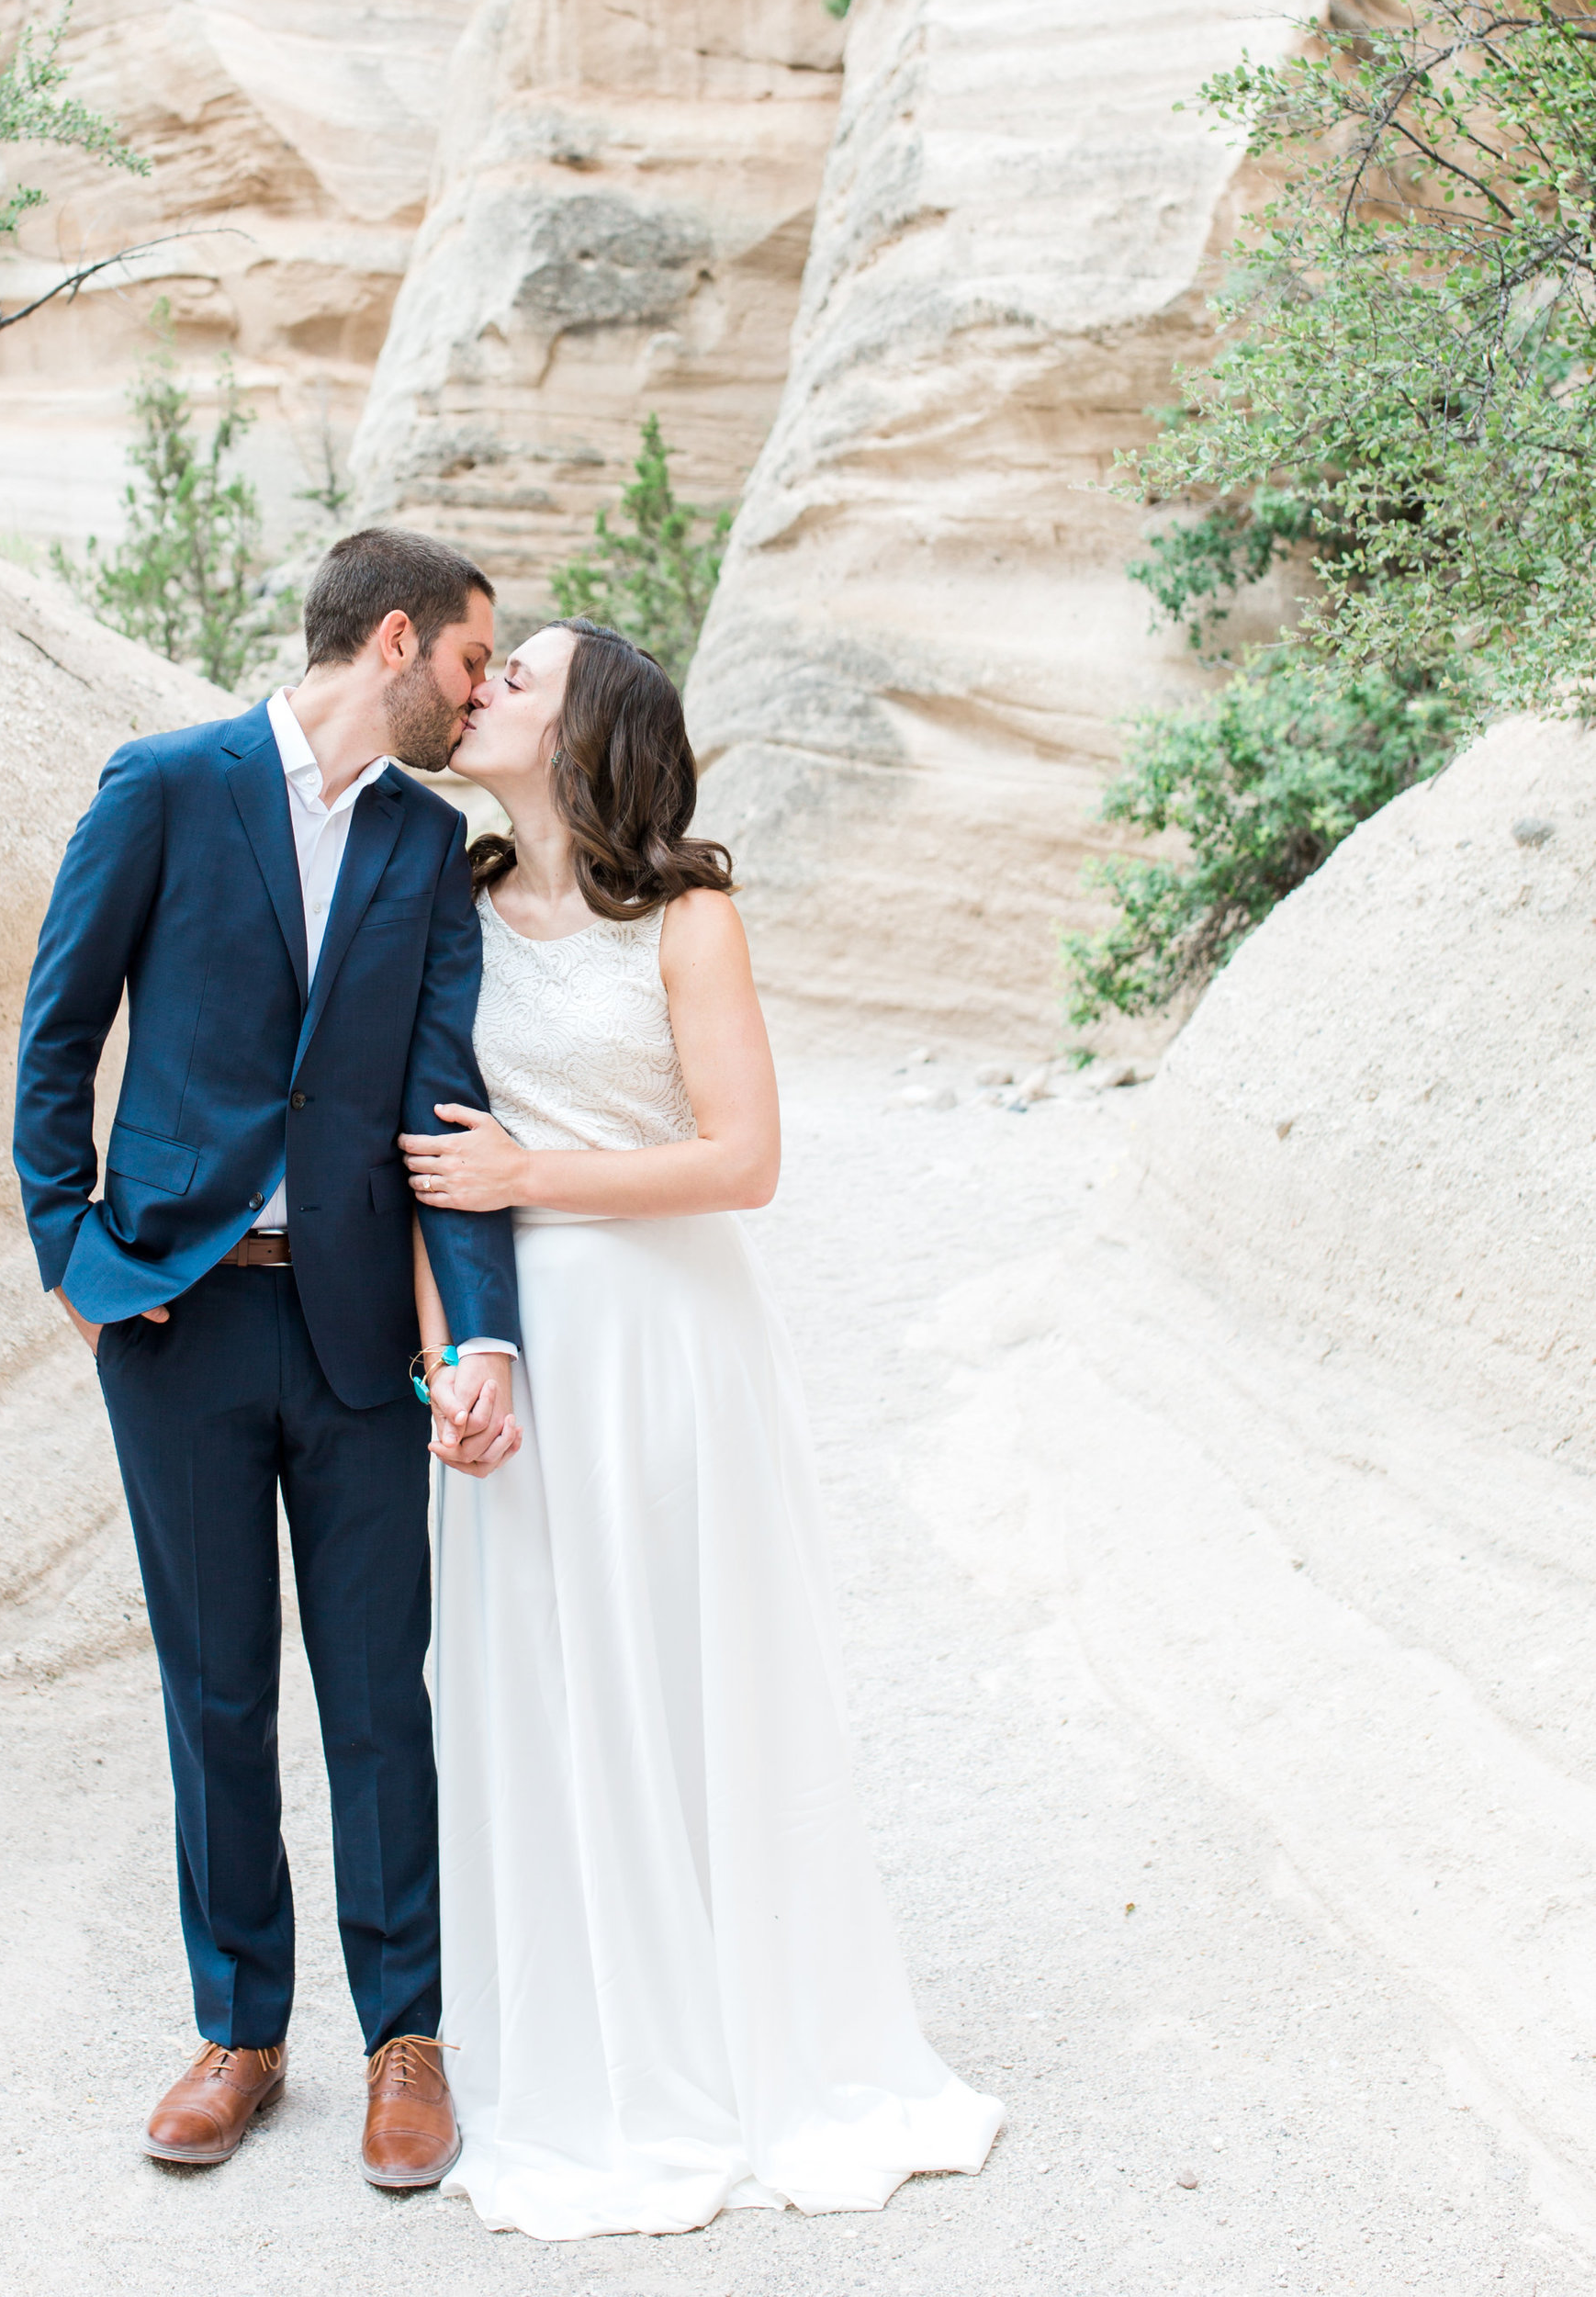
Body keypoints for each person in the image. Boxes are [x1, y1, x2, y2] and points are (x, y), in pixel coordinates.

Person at [406, 618, 1005, 2238]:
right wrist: (448, 1353)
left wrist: (535, 1179)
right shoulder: (445, 904)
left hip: (671, 1337)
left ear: (588, 725)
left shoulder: (686, 914)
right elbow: (420, 1156)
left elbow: (744, 1160)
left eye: (518, 677)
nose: (486, 691)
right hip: (518, 1353)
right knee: (543, 1686)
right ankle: (595, 2035)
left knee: (692, 1671)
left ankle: (753, 2040)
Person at [12, 527, 523, 2194]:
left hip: (357, 1330)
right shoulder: (167, 784)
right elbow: (59, 1033)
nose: (476, 695)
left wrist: (480, 1330)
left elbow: (445, 1106)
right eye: (467, 662)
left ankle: (405, 2039)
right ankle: (240, 2031)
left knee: (381, 1694)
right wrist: (77, 1258)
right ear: (393, 640)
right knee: (217, 1686)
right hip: (181, 1318)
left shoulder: (431, 847)